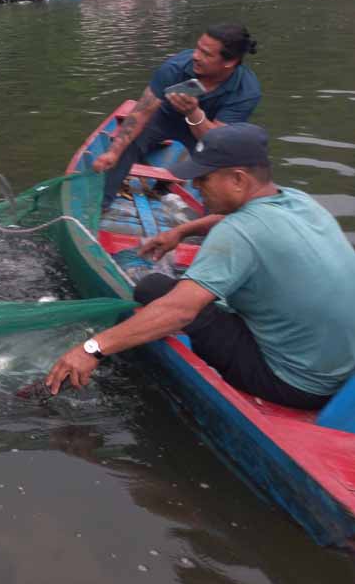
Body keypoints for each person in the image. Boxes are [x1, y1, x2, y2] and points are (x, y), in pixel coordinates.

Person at [47, 123, 355, 409]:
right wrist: (182, 230)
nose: (196, 185)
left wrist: (93, 348)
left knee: (154, 289)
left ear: (238, 179)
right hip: (343, 372)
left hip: (295, 384)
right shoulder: (298, 201)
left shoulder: (238, 232)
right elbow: (231, 220)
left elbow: (178, 312)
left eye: (203, 178)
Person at [94, 24, 261, 206]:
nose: (196, 56)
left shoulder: (245, 91)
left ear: (230, 62)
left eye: (206, 54)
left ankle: (209, 220)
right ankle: (100, 204)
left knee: (221, 167)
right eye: (198, 48)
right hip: (165, 117)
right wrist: (113, 152)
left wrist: (193, 112)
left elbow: (215, 143)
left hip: (204, 128)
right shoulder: (176, 67)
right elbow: (141, 112)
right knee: (126, 144)